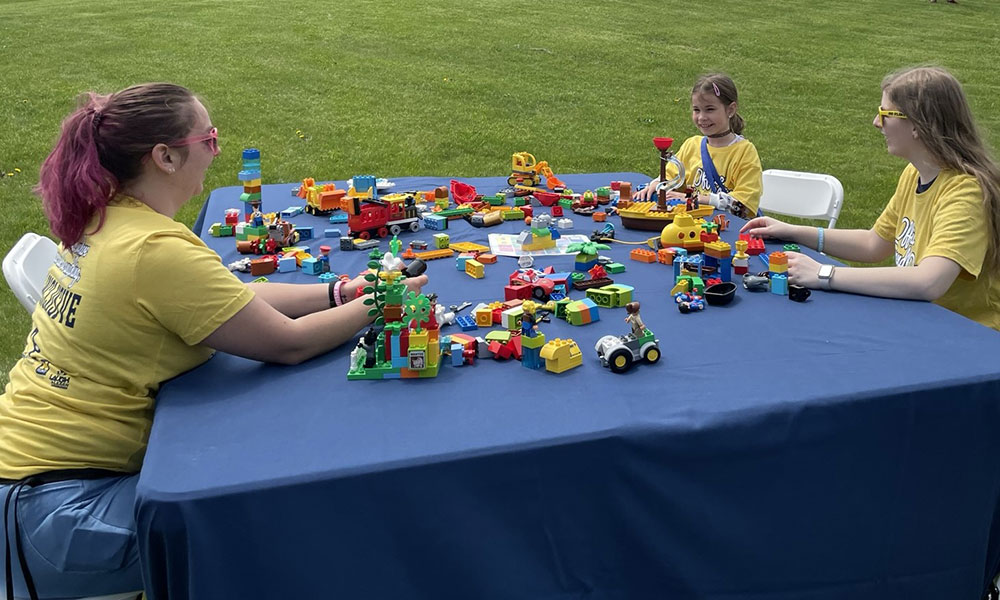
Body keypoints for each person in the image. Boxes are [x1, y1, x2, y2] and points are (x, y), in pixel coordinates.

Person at [0, 83, 428, 599]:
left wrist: (339, 291)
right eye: (210, 137)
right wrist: (383, 301)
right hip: (55, 515)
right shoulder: (153, 250)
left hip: (30, 484)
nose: (217, 151)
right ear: (165, 157)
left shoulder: (108, 217)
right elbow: (287, 343)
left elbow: (229, 298)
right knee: (292, 522)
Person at [741, 66, 1000, 331]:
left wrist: (823, 273)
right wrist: (793, 231)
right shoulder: (915, 173)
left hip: (972, 339)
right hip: (923, 323)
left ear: (917, 125)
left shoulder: (967, 192)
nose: (877, 122)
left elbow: (929, 282)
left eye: (885, 114)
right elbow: (874, 243)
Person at [634, 73, 763, 218]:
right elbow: (670, 177)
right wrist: (656, 186)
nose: (702, 117)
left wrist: (694, 199)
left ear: (731, 110)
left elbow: (743, 206)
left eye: (710, 109)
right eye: (697, 110)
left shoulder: (744, 152)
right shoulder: (691, 144)